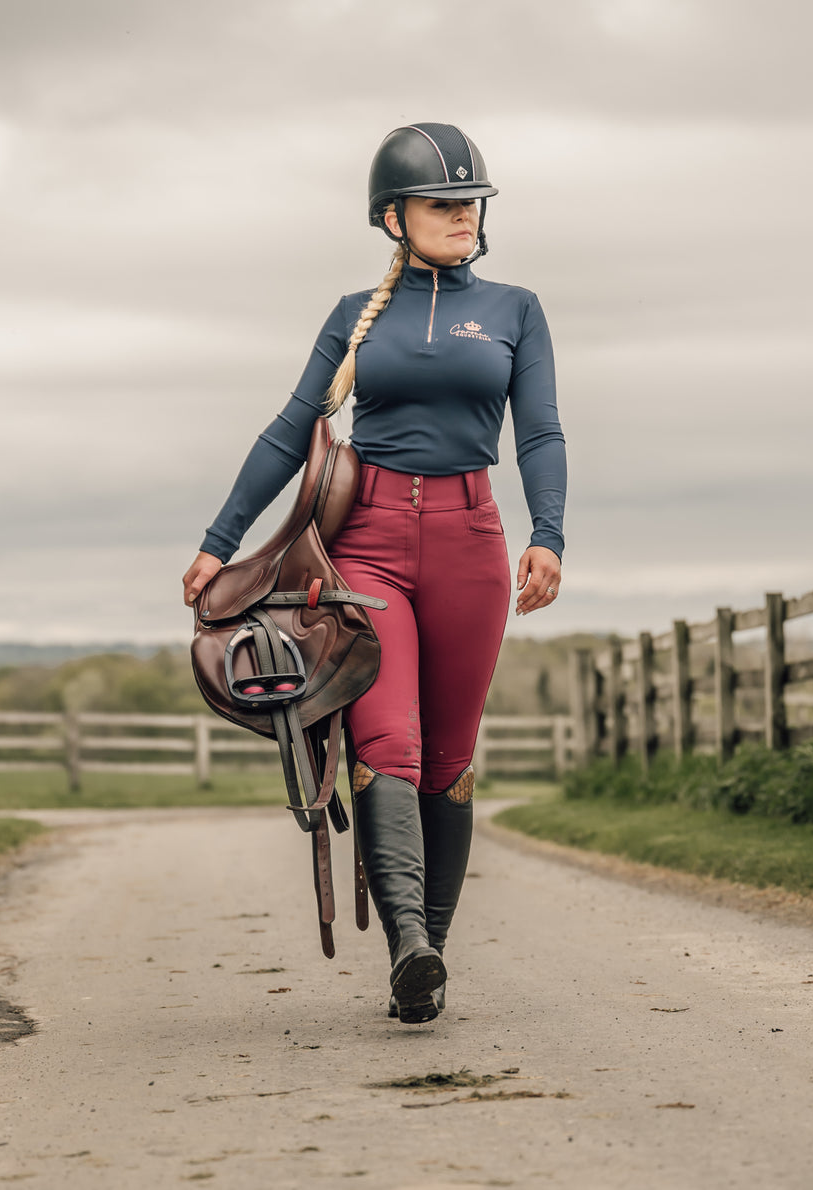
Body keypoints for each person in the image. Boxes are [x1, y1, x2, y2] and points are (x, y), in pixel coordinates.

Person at [182, 123, 567, 1024]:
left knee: (451, 758)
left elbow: (540, 431)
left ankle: (423, 962)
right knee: (388, 740)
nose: (462, 217)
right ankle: (409, 945)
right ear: (392, 217)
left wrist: (547, 533)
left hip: (472, 540)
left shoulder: (516, 309)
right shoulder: (356, 312)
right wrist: (218, 539)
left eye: (471, 204)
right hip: (368, 549)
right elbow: (290, 429)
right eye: (443, 204)